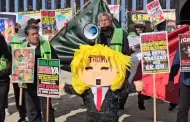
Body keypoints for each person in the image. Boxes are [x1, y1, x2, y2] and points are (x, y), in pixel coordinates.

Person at [60, 44, 143, 122]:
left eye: (104, 68)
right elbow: (76, 91)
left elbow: (124, 90)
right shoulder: (86, 91)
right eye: (89, 68)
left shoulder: (113, 91)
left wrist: (134, 87)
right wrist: (65, 87)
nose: (97, 73)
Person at [96, 12, 131, 110]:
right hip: (100, 73)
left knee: (114, 98)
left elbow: (126, 54)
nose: (104, 23)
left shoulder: (120, 33)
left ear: (111, 21)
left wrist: (126, 75)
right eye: (101, 21)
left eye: (106, 20)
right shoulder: (94, 34)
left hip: (117, 72)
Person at [23, 25, 57, 122]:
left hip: (44, 83)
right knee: (32, 111)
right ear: (27, 37)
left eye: (36, 33)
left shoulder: (46, 45)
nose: (35, 36)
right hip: (29, 84)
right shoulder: (22, 48)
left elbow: (55, 61)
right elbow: (17, 66)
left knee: (46, 109)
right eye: (32, 34)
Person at [10, 21, 28, 122]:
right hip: (16, 72)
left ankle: (29, 114)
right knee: (18, 95)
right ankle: (22, 115)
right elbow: (9, 54)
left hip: (29, 72)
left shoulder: (30, 39)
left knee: (28, 95)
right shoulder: (13, 39)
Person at [0, 33, 12, 122]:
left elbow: (9, 56)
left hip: (3, 79)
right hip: (3, 78)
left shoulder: (1, 39)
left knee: (1, 105)